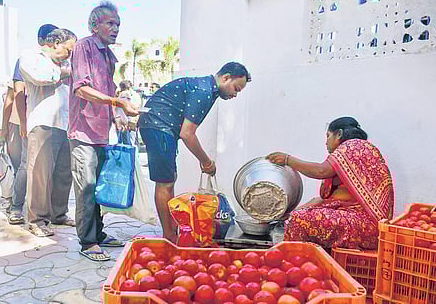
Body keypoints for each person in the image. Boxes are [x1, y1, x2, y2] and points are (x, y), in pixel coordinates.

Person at [138, 62, 251, 243]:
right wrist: (206, 162)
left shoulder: (207, 88)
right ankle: (169, 235)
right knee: (165, 182)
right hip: (158, 126)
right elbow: (187, 134)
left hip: (160, 127)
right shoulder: (204, 91)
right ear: (225, 77)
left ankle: (172, 226)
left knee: (169, 178)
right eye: (236, 88)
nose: (235, 94)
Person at [68, 1, 139, 261]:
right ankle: (87, 242)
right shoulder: (83, 47)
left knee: (98, 186)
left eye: (118, 24)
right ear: (94, 24)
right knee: (86, 187)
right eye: (110, 23)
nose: (115, 28)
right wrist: (118, 103)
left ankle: (98, 234)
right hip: (83, 131)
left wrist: (115, 115)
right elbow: (81, 89)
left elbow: (108, 90)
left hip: (100, 130)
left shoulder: (109, 55)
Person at [266, 116, 394, 250]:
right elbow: (322, 199)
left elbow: (321, 171)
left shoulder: (353, 146)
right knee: (296, 216)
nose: (326, 142)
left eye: (328, 136)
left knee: (299, 220)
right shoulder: (353, 155)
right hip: (362, 224)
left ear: (339, 134)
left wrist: (287, 159)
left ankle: (292, 262)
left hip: (366, 227)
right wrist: (285, 215)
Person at [19, 28, 77, 237]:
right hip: (43, 122)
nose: (70, 55)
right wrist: (62, 73)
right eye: (68, 50)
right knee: (40, 174)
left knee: (63, 173)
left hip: (66, 123)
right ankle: (37, 220)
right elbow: (39, 77)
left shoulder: (67, 64)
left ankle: (58, 214)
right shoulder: (31, 57)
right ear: (55, 44)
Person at [1, 23, 59, 224]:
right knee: (26, 166)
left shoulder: (55, 61)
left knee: (42, 169)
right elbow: (17, 93)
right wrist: (22, 123)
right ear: (46, 41)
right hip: (25, 119)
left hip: (45, 122)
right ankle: (16, 208)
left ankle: (43, 210)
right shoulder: (28, 59)